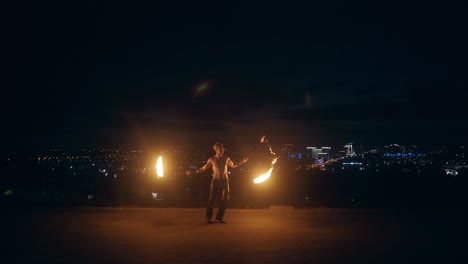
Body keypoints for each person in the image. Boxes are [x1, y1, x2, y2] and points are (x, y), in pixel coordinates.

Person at [186, 142, 248, 224]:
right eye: (221, 149)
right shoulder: (212, 159)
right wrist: (193, 172)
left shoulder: (226, 158)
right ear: (216, 150)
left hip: (225, 181)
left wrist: (242, 161)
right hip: (215, 181)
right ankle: (208, 218)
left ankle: (219, 218)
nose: (222, 151)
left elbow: (233, 165)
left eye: (223, 149)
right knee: (211, 200)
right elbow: (204, 168)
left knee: (225, 200)